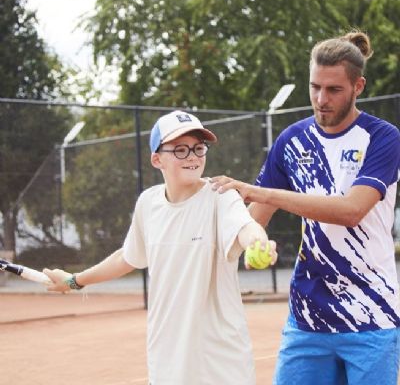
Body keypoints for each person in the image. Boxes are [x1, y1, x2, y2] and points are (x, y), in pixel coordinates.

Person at [211, 31, 400, 385]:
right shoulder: (292, 141)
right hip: (307, 318)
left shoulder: (383, 137)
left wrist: (261, 192)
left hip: (372, 316)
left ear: (358, 86)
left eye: (334, 90)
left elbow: (351, 211)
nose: (321, 99)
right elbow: (254, 220)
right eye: (315, 87)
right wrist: (255, 242)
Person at [44, 110, 277, 385]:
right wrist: (74, 281)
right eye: (180, 149)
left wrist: (259, 242)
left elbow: (246, 228)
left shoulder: (220, 196)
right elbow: (126, 257)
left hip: (221, 364)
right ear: (157, 159)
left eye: (198, 148)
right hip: (166, 361)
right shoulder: (148, 203)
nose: (192, 156)